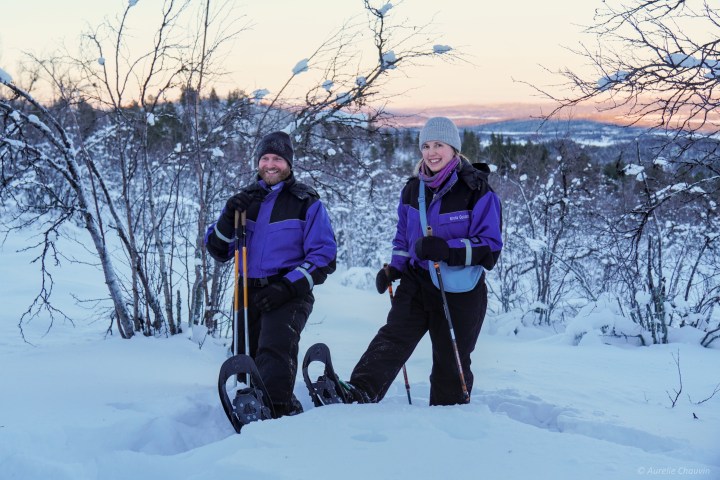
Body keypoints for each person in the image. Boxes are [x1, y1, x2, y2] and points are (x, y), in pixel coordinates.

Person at [334, 116, 503, 406]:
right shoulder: (413, 190)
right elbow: (403, 237)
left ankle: (449, 417)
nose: (431, 152)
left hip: (460, 289)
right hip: (418, 281)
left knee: (451, 360)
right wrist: (394, 268)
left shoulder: (477, 191)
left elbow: (490, 249)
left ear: (454, 149)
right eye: (425, 145)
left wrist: (447, 250)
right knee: (392, 339)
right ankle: (359, 393)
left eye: (439, 145)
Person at [205, 131, 337, 418]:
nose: (270, 164)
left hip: (289, 292)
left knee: (275, 347)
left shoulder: (305, 201)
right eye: (265, 158)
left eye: (277, 158)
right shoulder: (244, 201)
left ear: (288, 163)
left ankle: (276, 413)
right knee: (247, 355)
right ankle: (261, 403)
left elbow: (324, 256)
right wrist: (228, 215)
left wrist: (286, 288)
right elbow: (217, 250)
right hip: (247, 290)